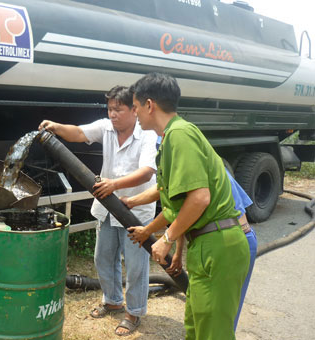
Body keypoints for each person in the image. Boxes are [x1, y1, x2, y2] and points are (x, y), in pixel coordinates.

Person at [127, 72, 250, 340]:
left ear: (150, 105)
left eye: (135, 107)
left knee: (213, 333)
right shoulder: (172, 136)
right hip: (205, 244)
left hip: (218, 246)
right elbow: (176, 205)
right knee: (196, 329)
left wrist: (167, 238)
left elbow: (200, 198)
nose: (133, 113)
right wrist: (159, 233)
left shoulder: (179, 135)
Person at [38, 85, 158, 336]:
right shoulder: (106, 128)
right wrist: (56, 127)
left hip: (135, 209)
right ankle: (113, 300)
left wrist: (114, 184)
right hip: (107, 208)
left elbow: (147, 171)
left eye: (119, 109)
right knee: (102, 257)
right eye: (110, 109)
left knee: (136, 266)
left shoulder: (146, 134)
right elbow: (79, 133)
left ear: (134, 110)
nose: (113, 114)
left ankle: (134, 312)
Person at [226, 170, 257, 330]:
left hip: (237, 240)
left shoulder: (204, 167)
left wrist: (168, 239)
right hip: (239, 238)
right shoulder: (213, 163)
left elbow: (190, 207)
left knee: (226, 314)